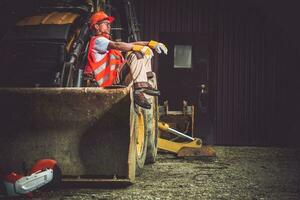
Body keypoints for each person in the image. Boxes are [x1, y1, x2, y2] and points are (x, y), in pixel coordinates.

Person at [84, 11, 168, 109]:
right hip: (109, 82)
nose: (109, 26)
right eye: (106, 24)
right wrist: (138, 47)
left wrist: (151, 44)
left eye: (109, 24)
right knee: (136, 54)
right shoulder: (98, 41)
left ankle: (145, 83)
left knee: (144, 52)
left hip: (117, 79)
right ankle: (139, 89)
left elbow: (131, 44)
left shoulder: (106, 42)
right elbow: (118, 45)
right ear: (97, 26)